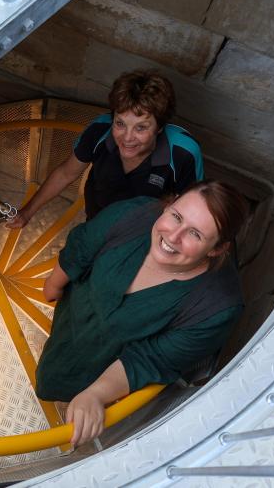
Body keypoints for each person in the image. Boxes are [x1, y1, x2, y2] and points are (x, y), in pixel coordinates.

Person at [36, 180, 248, 446]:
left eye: (195, 234)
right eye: (176, 216)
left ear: (217, 249)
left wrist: (96, 394)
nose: (173, 236)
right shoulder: (132, 215)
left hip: (107, 363)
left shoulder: (215, 307)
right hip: (75, 316)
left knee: (67, 384)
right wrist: (53, 284)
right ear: (169, 204)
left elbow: (151, 359)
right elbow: (82, 248)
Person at [6, 70, 203, 227]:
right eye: (120, 123)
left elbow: (189, 212)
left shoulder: (183, 154)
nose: (127, 138)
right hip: (96, 222)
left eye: (141, 127)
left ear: (159, 128)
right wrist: (26, 213)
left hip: (143, 239)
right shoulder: (99, 130)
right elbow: (66, 173)